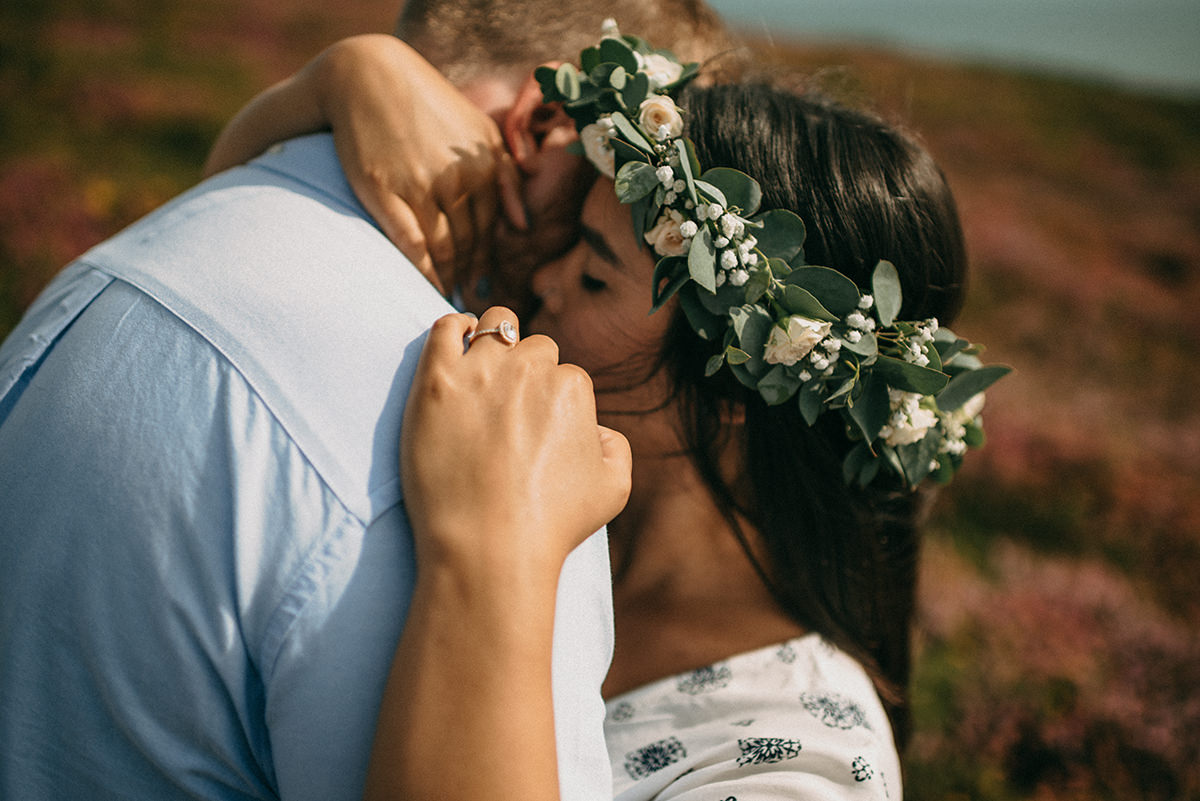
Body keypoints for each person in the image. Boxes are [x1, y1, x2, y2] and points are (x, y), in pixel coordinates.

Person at [0, 4, 728, 800]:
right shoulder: (503, 472)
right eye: (641, 177)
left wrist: (333, 75)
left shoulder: (124, 258)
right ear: (546, 122)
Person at [270, 34, 997, 800]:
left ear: (737, 384)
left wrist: (485, 546)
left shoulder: (798, 761)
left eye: (590, 273)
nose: (539, 283)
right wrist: (345, 74)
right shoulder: (539, 453)